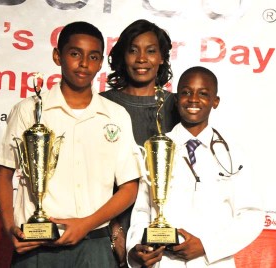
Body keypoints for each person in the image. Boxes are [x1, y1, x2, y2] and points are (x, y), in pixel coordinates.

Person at [0, 21, 142, 268]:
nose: (84, 63)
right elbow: (3, 173)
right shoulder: (28, 110)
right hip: (36, 247)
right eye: (75, 54)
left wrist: (87, 222)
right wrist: (9, 228)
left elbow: (129, 187)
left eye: (93, 57)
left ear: (100, 62)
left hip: (94, 244)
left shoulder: (116, 115)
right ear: (57, 56)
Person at [126, 66, 265, 267]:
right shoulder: (157, 149)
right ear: (175, 99)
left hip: (212, 262)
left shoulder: (233, 154)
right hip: (164, 262)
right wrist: (137, 248)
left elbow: (251, 215)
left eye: (203, 93)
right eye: (186, 92)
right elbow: (141, 210)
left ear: (215, 101)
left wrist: (207, 247)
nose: (193, 99)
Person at [100, 19, 180, 267]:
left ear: (163, 58)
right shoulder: (101, 105)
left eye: (151, 50)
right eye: (133, 50)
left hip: (162, 238)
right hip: (104, 230)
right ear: (123, 56)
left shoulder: (180, 107)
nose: (141, 58)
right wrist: (115, 233)